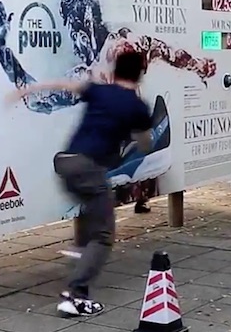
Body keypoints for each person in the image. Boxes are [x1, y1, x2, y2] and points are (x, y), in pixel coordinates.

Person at [10, 51, 153, 316]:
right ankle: (76, 295)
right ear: (140, 74)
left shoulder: (99, 91)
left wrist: (28, 89)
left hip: (65, 163)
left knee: (92, 204)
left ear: (114, 71)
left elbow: (64, 85)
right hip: (88, 168)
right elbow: (145, 143)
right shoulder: (136, 106)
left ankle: (80, 250)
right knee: (104, 235)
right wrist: (138, 135)